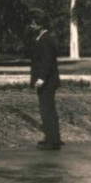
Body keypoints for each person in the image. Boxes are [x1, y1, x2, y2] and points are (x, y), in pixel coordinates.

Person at [29, 17, 62, 150]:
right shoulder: (43, 38)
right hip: (48, 80)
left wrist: (41, 78)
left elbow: (47, 61)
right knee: (48, 109)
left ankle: (52, 141)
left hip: (47, 81)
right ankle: (52, 138)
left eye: (33, 22)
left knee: (47, 110)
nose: (31, 25)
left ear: (41, 24)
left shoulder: (46, 39)